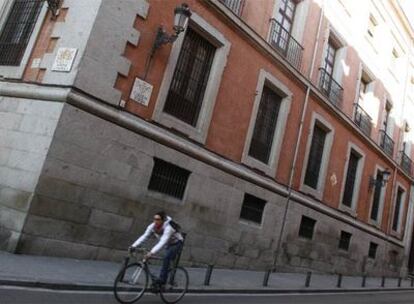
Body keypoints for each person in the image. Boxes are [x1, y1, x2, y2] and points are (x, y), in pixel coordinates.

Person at [130, 211, 184, 285]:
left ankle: (163, 280)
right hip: (168, 244)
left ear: (162, 220)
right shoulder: (152, 226)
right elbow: (144, 236)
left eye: (158, 219)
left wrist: (151, 252)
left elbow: (162, 241)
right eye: (154, 219)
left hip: (177, 243)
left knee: (166, 257)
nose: (155, 221)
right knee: (164, 259)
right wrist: (133, 246)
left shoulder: (169, 227)